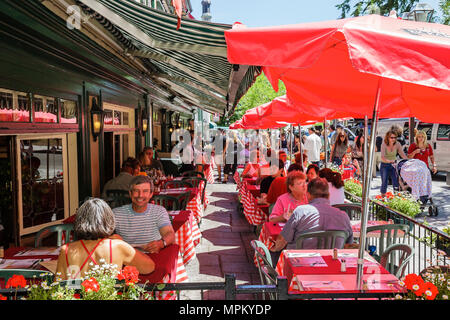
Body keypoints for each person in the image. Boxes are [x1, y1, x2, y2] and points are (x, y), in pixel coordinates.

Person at [56, 198, 155, 280]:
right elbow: (149, 267)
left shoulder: (66, 249)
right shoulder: (118, 246)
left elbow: (59, 285)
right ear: (108, 220)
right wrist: (122, 242)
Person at [269, 178, 353, 264]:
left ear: (308, 195)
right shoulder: (343, 216)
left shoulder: (300, 212)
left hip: (299, 265)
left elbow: (282, 242)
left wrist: (273, 248)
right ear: (328, 195)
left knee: (273, 253)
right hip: (332, 266)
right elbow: (349, 245)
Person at [112, 175, 175, 253]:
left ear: (151, 194)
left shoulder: (159, 211)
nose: (140, 195)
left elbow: (170, 234)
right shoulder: (116, 214)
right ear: (130, 193)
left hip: (153, 256)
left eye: (145, 191)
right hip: (127, 258)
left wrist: (161, 243)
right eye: (136, 191)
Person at [380, 129, 408, 196]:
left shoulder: (397, 144)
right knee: (384, 182)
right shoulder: (384, 144)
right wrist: (389, 161)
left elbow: (402, 154)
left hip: (394, 165)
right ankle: (382, 198)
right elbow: (382, 157)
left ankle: (396, 199)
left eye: (395, 137)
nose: (393, 139)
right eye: (391, 137)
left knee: (396, 182)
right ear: (388, 137)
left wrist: (408, 161)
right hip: (384, 165)